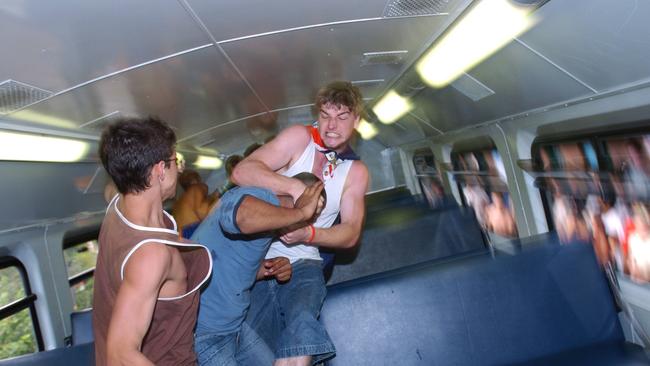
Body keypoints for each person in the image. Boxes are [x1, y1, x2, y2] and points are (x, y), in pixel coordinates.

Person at [232, 80, 369, 365]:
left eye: (342, 117)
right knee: (250, 345)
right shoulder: (299, 139)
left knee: (302, 323)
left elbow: (350, 232)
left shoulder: (355, 172)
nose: (331, 125)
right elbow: (242, 172)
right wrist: (295, 189)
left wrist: (307, 233)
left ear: (356, 120)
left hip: (304, 262)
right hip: (258, 260)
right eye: (325, 115)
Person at [93, 116, 212, 365]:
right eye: (175, 161)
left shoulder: (117, 205)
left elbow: (110, 189)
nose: (179, 169)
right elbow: (120, 355)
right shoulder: (151, 256)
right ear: (159, 170)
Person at [192, 173, 326, 366]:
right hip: (205, 333)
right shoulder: (259, 197)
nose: (309, 223)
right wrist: (301, 212)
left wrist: (267, 269)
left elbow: (229, 262)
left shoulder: (268, 227)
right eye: (314, 214)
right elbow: (242, 216)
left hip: (235, 329)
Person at [172, 169, 219, 237]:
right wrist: (216, 197)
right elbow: (201, 212)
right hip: (191, 231)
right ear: (198, 179)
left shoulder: (180, 200)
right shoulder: (198, 187)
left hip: (179, 236)